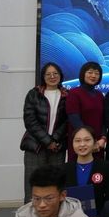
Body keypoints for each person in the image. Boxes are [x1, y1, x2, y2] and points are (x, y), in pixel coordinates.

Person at [20, 62, 68, 203]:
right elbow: (30, 120)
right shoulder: (34, 94)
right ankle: (30, 214)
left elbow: (67, 121)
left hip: (57, 147)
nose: (52, 77)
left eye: (55, 73)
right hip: (35, 146)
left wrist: (55, 140)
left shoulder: (66, 95)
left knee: (55, 183)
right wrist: (47, 141)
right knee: (33, 183)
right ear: (43, 76)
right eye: (48, 74)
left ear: (60, 76)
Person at [65, 126, 109, 217]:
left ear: (95, 143)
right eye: (77, 141)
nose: (82, 144)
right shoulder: (64, 169)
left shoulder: (106, 167)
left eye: (87, 140)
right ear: (72, 144)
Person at [66, 61, 105, 161]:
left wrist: (103, 138)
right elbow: (74, 119)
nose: (93, 76)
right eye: (90, 72)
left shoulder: (100, 95)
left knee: (98, 169)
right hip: (80, 141)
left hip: (98, 143)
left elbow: (104, 119)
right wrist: (89, 141)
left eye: (97, 73)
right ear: (83, 74)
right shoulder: (74, 93)